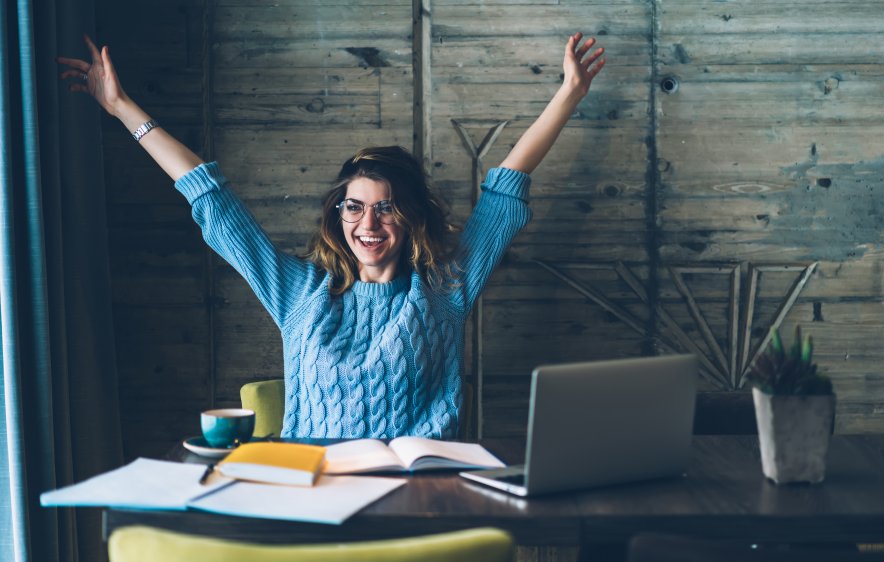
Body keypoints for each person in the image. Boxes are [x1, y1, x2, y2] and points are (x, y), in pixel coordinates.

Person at [58, 32, 605, 439]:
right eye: (354, 207)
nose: (367, 225)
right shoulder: (300, 293)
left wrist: (568, 95)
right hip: (312, 490)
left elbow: (503, 196)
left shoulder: (442, 289)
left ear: (410, 217)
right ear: (337, 214)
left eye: (386, 209)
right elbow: (213, 201)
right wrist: (121, 107)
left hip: (415, 491)